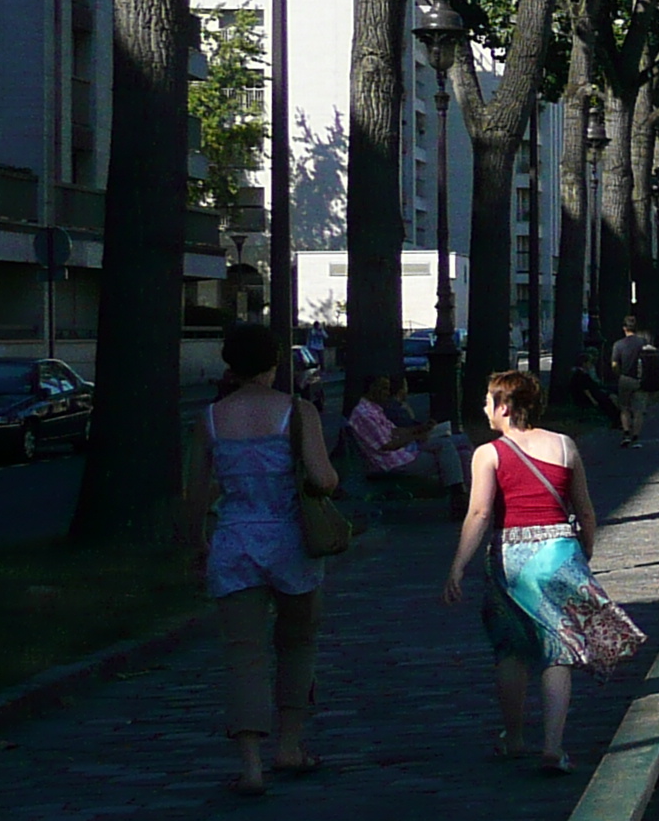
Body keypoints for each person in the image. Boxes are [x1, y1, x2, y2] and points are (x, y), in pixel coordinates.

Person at [181, 324, 341, 796]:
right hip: (291, 540)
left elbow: (194, 495)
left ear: (230, 365)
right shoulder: (297, 412)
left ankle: (250, 764)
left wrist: (196, 544)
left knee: (243, 653)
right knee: (297, 643)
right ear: (274, 363)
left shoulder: (210, 418)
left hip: (234, 540)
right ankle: (290, 744)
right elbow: (325, 478)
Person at [443, 369, 618, 774]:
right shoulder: (564, 446)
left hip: (512, 555)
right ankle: (553, 745)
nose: (485, 408)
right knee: (559, 651)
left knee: (512, 648)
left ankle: (516, 735)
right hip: (559, 552)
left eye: (489, 401)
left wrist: (457, 566)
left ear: (505, 406)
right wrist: (584, 550)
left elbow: (481, 512)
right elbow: (585, 508)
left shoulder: (489, 454)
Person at [344, 370, 467, 492]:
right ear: (372, 388)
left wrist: (420, 428)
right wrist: (415, 437)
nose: (387, 393)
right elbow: (387, 445)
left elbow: (394, 431)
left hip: (404, 453)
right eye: (384, 388)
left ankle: (464, 494)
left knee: (460, 451)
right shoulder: (364, 414)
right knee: (453, 453)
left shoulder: (373, 408)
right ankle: (458, 494)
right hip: (392, 463)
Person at [609, 315, 659, 448]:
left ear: (624, 328)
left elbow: (614, 364)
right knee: (638, 410)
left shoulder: (618, 345)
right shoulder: (643, 343)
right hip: (641, 379)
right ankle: (636, 436)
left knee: (624, 408)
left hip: (625, 378)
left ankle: (626, 433)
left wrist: (619, 375)